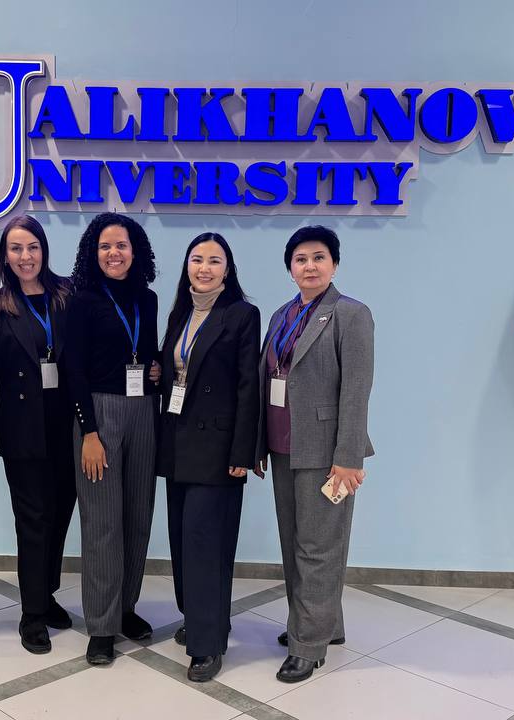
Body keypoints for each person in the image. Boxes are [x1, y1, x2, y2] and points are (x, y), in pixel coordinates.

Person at [254, 225, 375, 683]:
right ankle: (323, 625)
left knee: (318, 547)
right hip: (282, 445)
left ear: (334, 264)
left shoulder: (351, 314)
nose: (310, 266)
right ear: (290, 268)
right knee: (294, 543)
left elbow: (357, 391)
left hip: (326, 451)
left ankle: (308, 645)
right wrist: (258, 444)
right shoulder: (281, 315)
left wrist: (349, 456)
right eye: (301, 259)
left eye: (319, 257)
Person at [156, 233, 260, 682]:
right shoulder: (180, 312)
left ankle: (207, 645)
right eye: (197, 259)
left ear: (227, 269)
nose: (204, 268)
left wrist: (243, 451)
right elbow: (178, 371)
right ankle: (203, 619)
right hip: (177, 445)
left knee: (205, 546)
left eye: (214, 260)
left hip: (218, 452)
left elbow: (248, 386)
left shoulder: (242, 314)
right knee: (182, 542)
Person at [63, 212, 162, 666]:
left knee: (138, 516)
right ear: (93, 252)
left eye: (121, 245)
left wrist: (156, 369)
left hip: (144, 412)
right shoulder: (81, 300)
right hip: (99, 416)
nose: (114, 253)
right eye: (105, 246)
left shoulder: (148, 299)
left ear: (135, 251)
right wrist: (88, 431)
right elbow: (74, 370)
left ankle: (125, 608)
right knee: (103, 523)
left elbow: (148, 352)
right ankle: (101, 627)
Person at [0, 215, 76, 655]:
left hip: (66, 425)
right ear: (5, 256)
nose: (25, 256)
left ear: (44, 250)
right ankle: (32, 614)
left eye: (32, 247)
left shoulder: (67, 295)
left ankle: (47, 593)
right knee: (33, 520)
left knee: (59, 516)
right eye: (16, 249)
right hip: (22, 430)